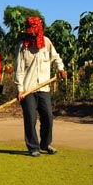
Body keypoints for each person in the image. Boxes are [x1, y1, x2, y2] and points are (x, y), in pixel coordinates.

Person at [14, 16, 67, 157]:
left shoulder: (47, 43)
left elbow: (56, 58)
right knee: (30, 118)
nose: (32, 34)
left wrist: (60, 69)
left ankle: (46, 144)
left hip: (44, 88)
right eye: (30, 31)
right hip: (28, 90)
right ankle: (33, 147)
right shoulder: (22, 47)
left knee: (48, 116)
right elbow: (19, 70)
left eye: (34, 31)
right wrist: (20, 89)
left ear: (39, 30)